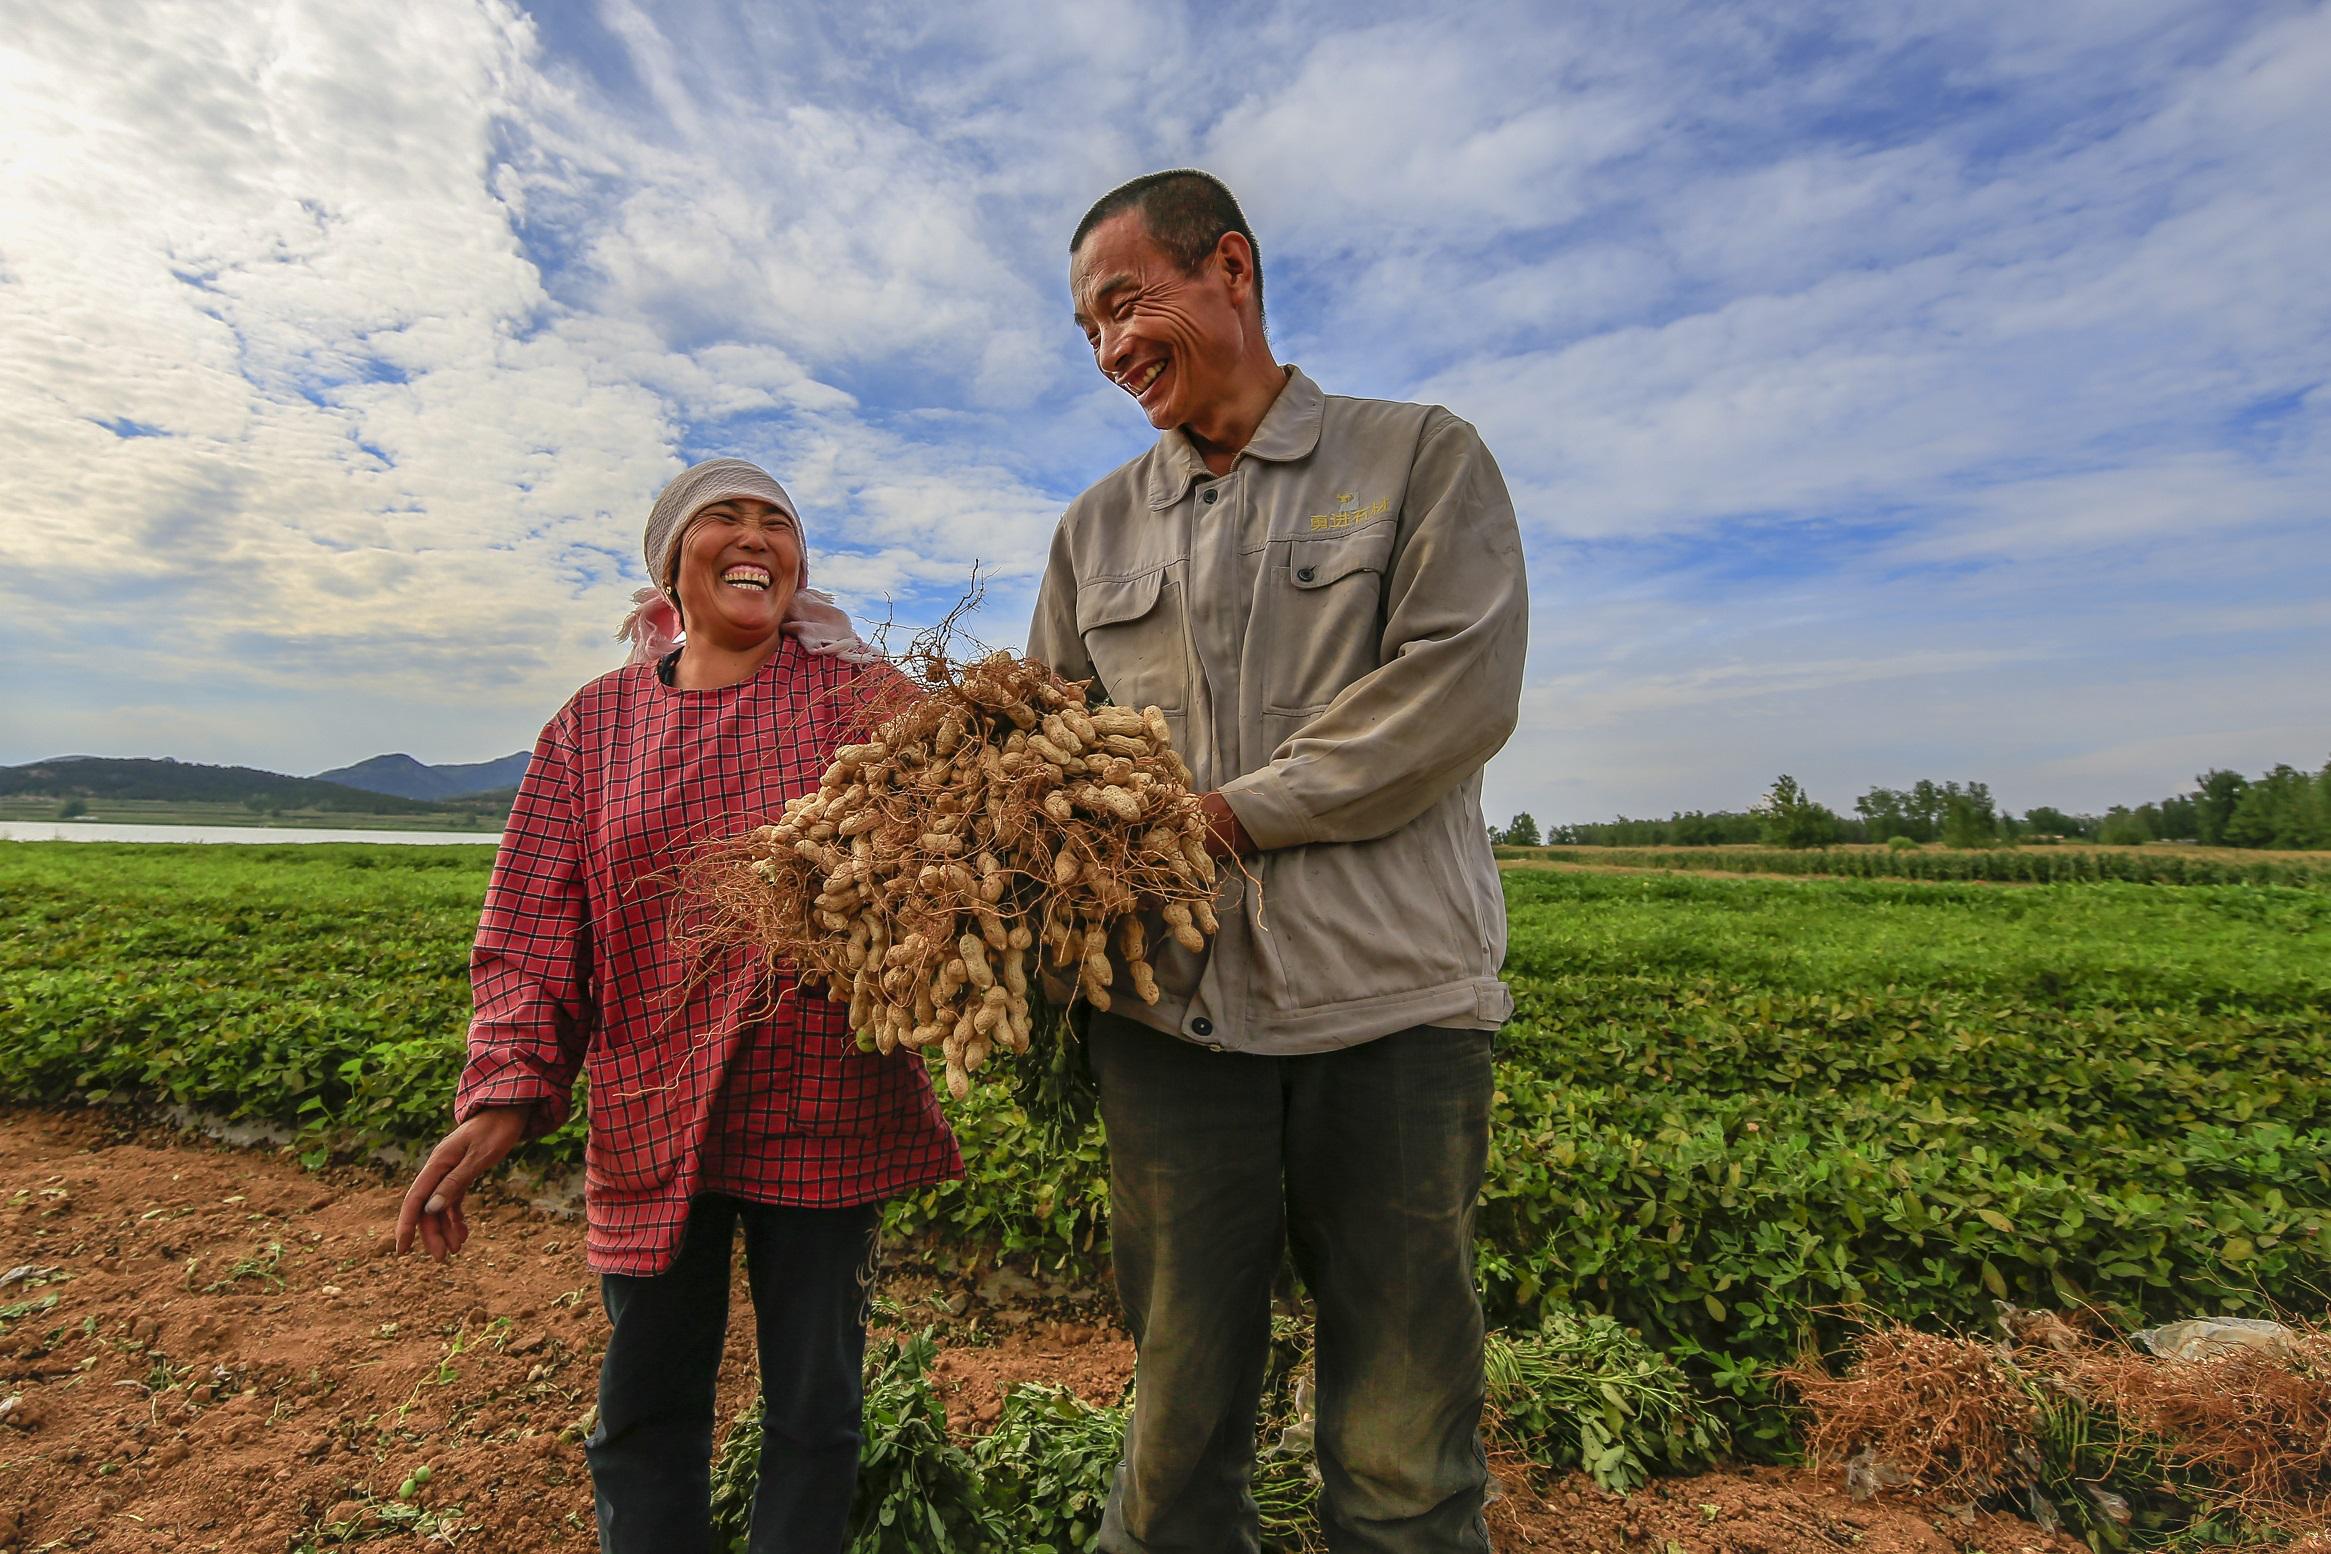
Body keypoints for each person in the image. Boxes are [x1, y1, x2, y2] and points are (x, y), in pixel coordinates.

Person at [1028, 170, 1528, 1553]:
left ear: (1229, 270)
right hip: (1171, 1023)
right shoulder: (1093, 530)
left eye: (1127, 303)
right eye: (1085, 328)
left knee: (1401, 1440)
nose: (1111, 346)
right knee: (1177, 1426)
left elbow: (1455, 692)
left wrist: (1224, 816)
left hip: (1388, 1008)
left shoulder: (1416, 456)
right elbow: (1042, 748)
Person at [395, 458, 962, 1554]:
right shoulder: (592, 728)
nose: (757, 540)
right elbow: (529, 925)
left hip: (825, 1099)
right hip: (654, 1103)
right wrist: (506, 1089)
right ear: (672, 559)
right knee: (645, 1409)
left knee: (816, 1410)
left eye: (778, 527)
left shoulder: (863, 700)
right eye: (726, 520)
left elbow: (975, 802)